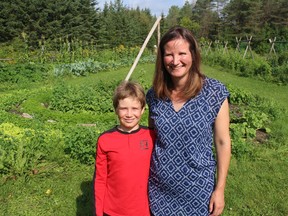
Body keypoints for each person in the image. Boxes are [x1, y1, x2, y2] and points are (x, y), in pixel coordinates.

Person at [146, 26, 231, 216]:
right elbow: (151, 138)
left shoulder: (214, 92)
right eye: (169, 55)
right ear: (162, 58)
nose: (175, 61)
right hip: (159, 190)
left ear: (193, 54)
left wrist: (220, 189)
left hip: (198, 189)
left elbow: (223, 142)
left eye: (182, 53)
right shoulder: (154, 95)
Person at [93, 81, 156, 216]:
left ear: (143, 110)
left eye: (134, 108)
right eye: (123, 108)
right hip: (112, 210)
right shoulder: (105, 140)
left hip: (143, 210)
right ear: (116, 109)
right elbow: (100, 179)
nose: (129, 114)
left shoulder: (151, 136)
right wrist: (98, 212)